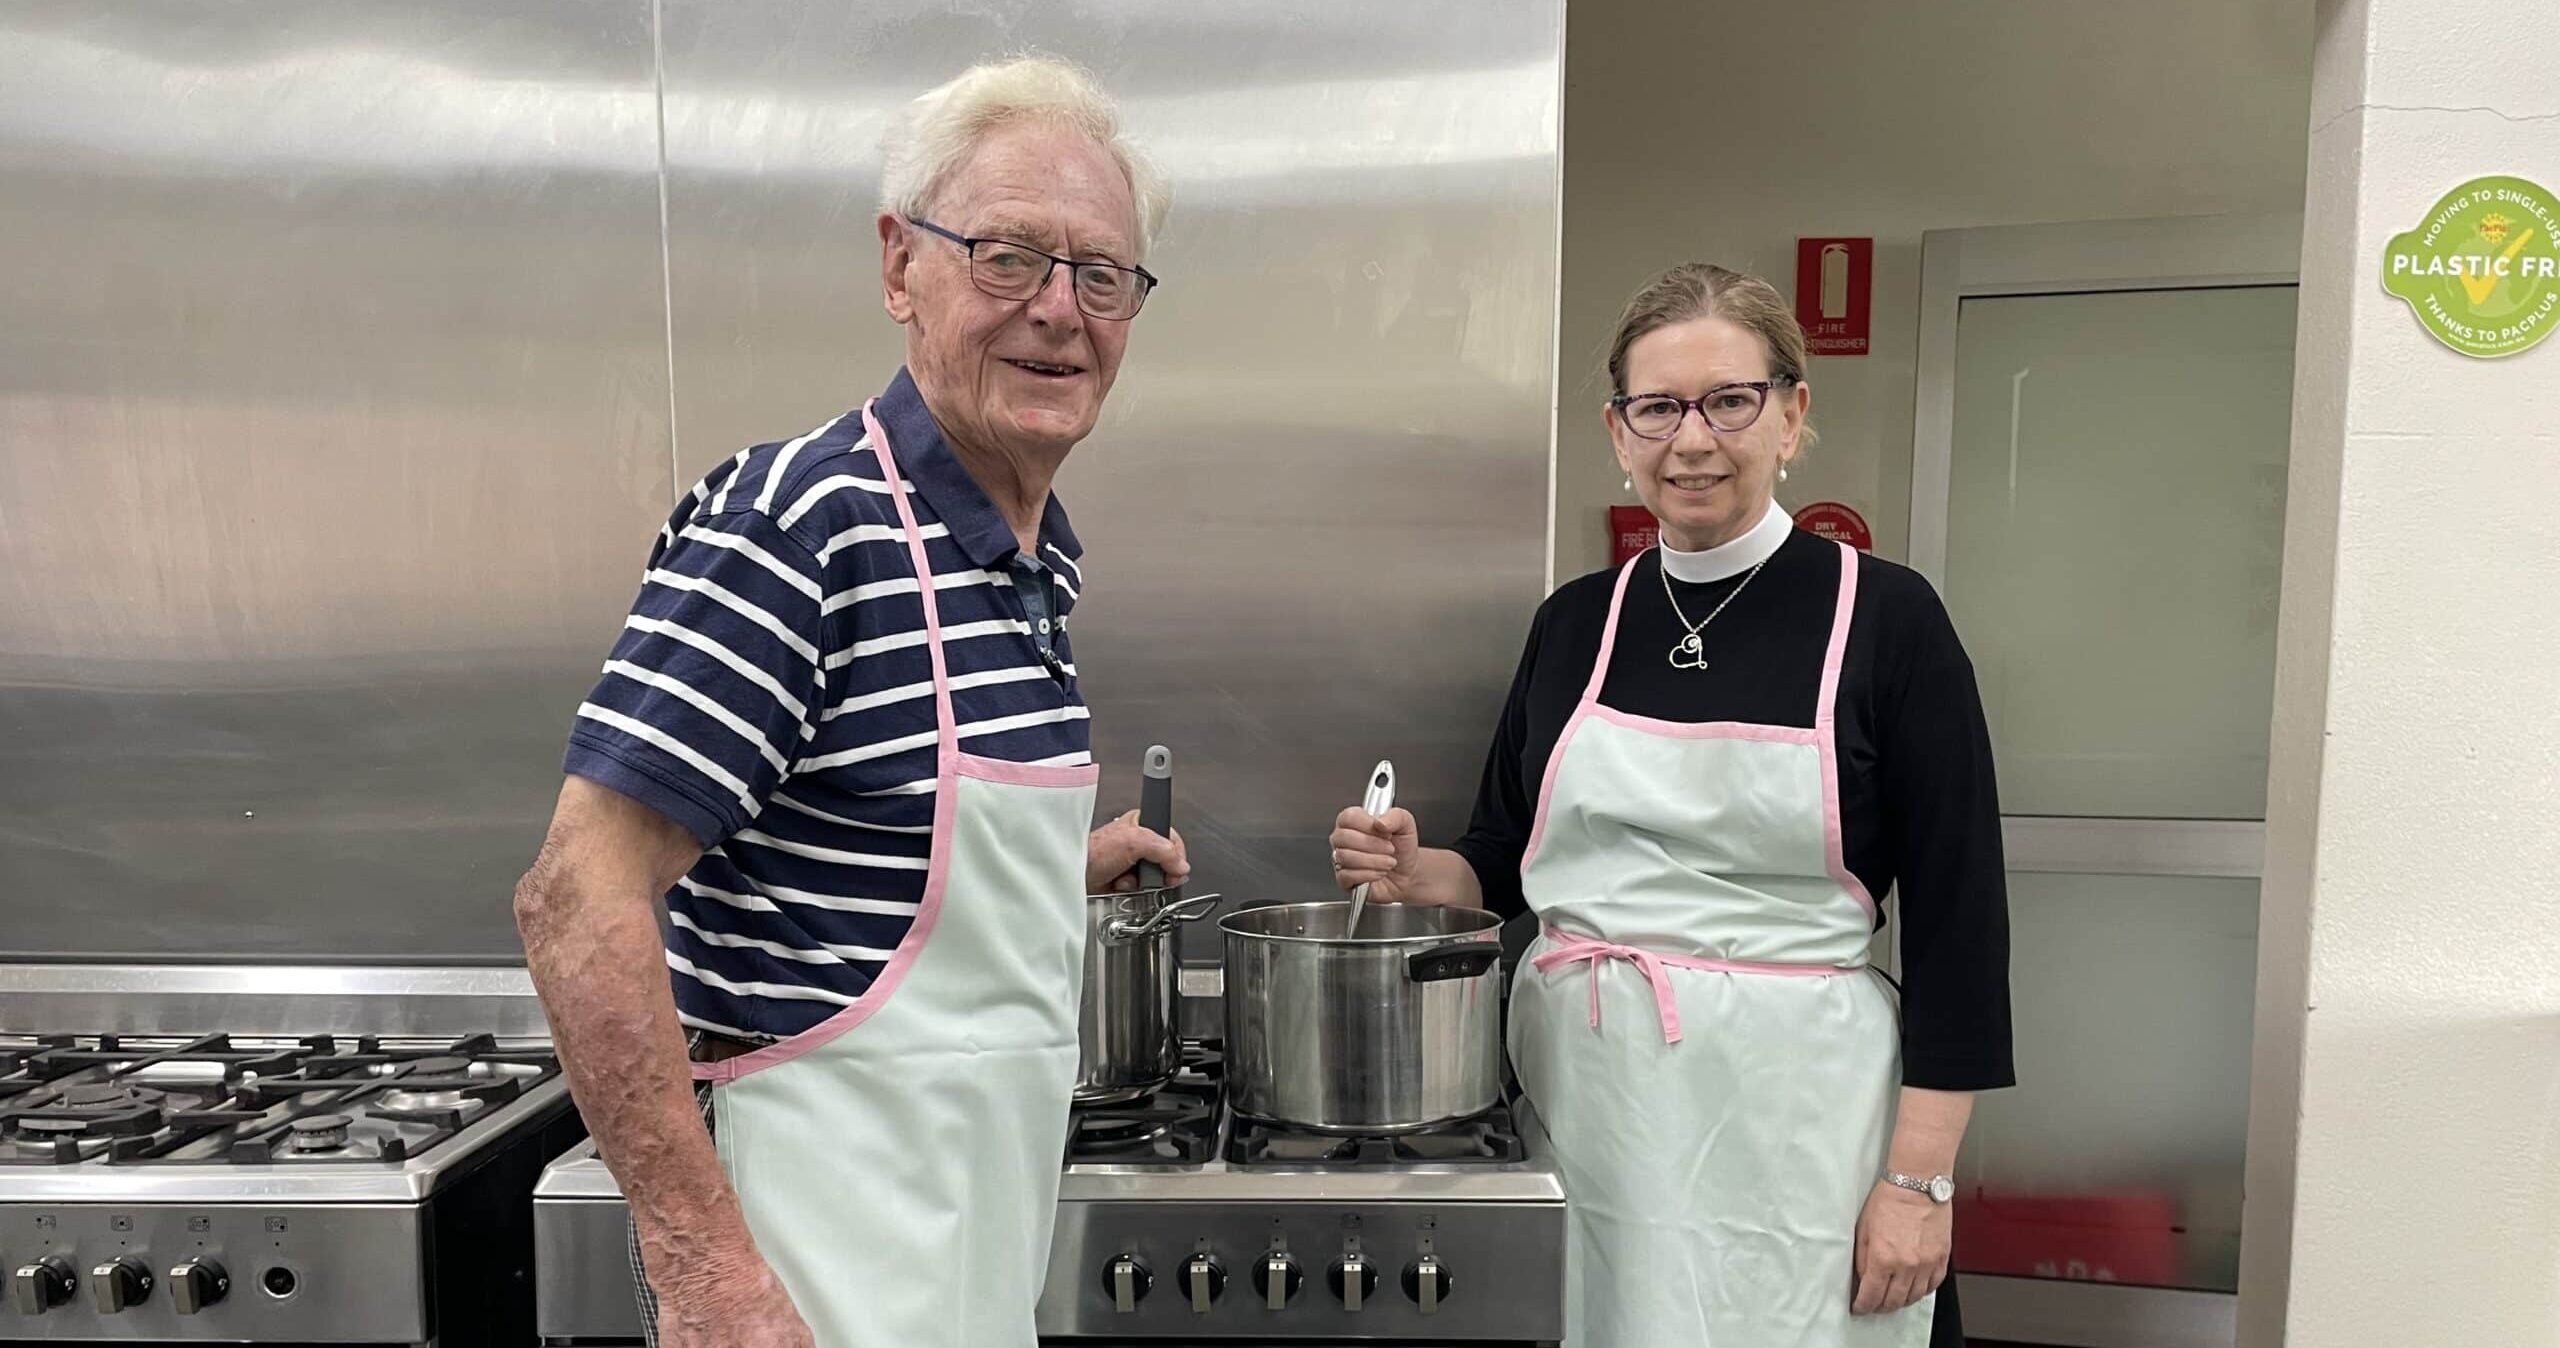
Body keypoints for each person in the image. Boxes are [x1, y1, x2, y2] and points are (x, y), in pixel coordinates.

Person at [512, 57, 1181, 1348]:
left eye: (1100, 274)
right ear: (899, 267)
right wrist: (707, 1275)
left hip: (963, 1272)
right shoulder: (802, 526)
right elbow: (575, 896)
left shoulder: (1031, 558)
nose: (1059, 311)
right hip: (808, 1280)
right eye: (1006, 257)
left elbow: (864, 848)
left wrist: (1057, 867)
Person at [1330, 263, 2014, 1347]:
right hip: (1588, 1109)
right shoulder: (1573, 624)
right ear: (1617, 430)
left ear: (1792, 415)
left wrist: (1918, 1183)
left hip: (1799, 1128)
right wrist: (1423, 874)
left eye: (1729, 401)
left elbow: (1959, 926)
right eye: (1658, 407)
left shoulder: (1886, 620)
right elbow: (1502, 861)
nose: (1691, 438)